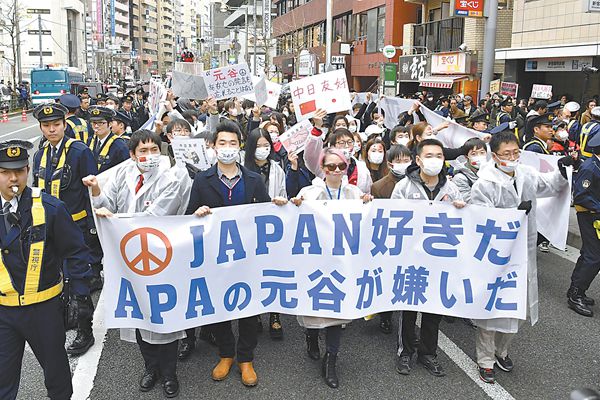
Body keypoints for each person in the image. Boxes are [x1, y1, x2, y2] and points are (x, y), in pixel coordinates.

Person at [82, 130, 192, 398]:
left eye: (154, 150)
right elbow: (107, 204)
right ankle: (150, 368)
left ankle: (169, 373)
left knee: (163, 316)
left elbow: (155, 215)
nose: (149, 156)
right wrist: (96, 192)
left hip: (160, 257)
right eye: (143, 151)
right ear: (132, 155)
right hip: (128, 259)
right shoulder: (123, 175)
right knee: (138, 315)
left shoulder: (172, 178)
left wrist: (119, 220)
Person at [186, 120, 287, 387]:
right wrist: (197, 214)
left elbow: (265, 215)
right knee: (219, 307)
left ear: (240, 147)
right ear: (213, 147)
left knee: (248, 309)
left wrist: (279, 207)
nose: (228, 148)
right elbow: (188, 217)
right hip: (215, 257)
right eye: (222, 143)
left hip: (248, 257)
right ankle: (225, 354)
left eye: (233, 143)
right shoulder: (202, 179)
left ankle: (245, 357)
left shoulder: (253, 180)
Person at [469, 131, 573, 384]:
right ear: (494, 156)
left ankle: (501, 351)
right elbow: (479, 217)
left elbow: (547, 185)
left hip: (522, 251)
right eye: (507, 154)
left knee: (516, 305)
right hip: (495, 254)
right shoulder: (484, 182)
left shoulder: (525, 173)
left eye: (516, 152)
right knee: (493, 307)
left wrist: (562, 170)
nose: (513, 157)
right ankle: (485, 360)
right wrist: (512, 214)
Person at [0, 139, 92, 400]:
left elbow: (76, 251)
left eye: (18, 171)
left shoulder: (50, 208)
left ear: (28, 171)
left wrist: (80, 294)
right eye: (5, 172)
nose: (13, 178)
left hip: (43, 309)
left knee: (57, 377)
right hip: (3, 311)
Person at [291, 147, 372, 388]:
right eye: (330, 166)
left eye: (341, 166)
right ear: (322, 169)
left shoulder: (353, 192)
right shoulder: (309, 192)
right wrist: (296, 205)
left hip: (343, 262)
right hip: (315, 260)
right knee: (315, 305)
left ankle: (331, 360)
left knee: (338, 310)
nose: (336, 171)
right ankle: (311, 336)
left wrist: (367, 204)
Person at [391, 138, 465, 378]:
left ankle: (428, 353)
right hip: (411, 258)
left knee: (434, 308)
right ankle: (405, 352)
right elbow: (392, 219)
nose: (435, 160)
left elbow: (465, 222)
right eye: (429, 155)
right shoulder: (404, 187)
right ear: (418, 160)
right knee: (409, 308)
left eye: (439, 156)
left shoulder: (451, 189)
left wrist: (463, 209)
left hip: (439, 259)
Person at [31, 103, 99, 354]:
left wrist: (93, 230)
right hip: (48, 229)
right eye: (46, 126)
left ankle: (85, 331)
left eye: (56, 125)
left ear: (64, 125)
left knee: (79, 278)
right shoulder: (40, 155)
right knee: (53, 276)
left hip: (77, 227)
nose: (51, 130)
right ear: (41, 127)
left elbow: (92, 193)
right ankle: (65, 319)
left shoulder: (80, 151)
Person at [243, 128, 287, 340]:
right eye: (258, 145)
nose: (263, 149)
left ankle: (274, 315)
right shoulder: (242, 169)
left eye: (266, 145)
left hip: (272, 228)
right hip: (248, 229)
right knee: (252, 271)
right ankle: (256, 314)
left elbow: (284, 194)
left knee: (272, 271)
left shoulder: (277, 169)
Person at [370, 144, 412, 334]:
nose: (403, 165)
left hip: (412, 239)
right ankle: (385, 315)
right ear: (390, 163)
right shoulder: (379, 186)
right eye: (398, 161)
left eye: (406, 161)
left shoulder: (417, 182)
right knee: (388, 278)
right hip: (390, 238)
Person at [567, 132, 600, 317]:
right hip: (589, 215)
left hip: (596, 215)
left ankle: (576, 290)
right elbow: (581, 196)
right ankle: (576, 294)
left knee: (589, 254)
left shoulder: (597, 165)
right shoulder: (590, 167)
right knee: (594, 257)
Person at [304, 109, 372, 194]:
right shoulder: (324, 164)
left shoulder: (362, 168)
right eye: (341, 143)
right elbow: (310, 155)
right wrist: (317, 127)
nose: (346, 146)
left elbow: (367, 192)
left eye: (350, 142)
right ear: (332, 146)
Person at [88, 106, 130, 173]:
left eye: (100, 123)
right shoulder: (90, 141)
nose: (96, 126)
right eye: (94, 123)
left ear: (110, 124)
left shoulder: (119, 145)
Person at [452, 137, 488, 202]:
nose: (479, 156)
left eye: (482, 153)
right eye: (473, 154)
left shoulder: (493, 172)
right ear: (466, 157)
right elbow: (468, 201)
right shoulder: (460, 178)